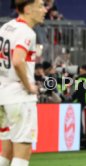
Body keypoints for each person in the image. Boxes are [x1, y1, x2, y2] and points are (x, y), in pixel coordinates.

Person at [0, 1, 46, 166]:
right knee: (22, 152)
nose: (44, 10)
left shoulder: (6, 27)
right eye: (40, 6)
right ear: (27, 9)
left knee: (6, 152)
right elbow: (18, 61)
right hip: (19, 98)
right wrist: (29, 87)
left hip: (3, 96)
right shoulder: (27, 32)